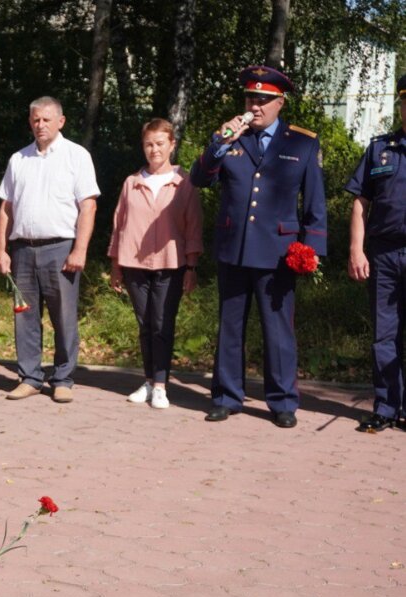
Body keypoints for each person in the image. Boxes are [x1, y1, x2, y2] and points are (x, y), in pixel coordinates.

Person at [190, 65, 327, 428]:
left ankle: (282, 401)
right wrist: (220, 143)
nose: (256, 105)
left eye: (265, 100)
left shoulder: (302, 142)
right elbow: (199, 178)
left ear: (281, 102)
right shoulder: (231, 138)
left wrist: (312, 250)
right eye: (251, 97)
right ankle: (226, 396)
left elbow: (314, 203)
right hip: (234, 247)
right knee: (230, 326)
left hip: (279, 253)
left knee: (278, 330)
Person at [0, 96, 100, 402]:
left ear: (61, 122)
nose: (40, 125)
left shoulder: (76, 156)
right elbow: (6, 208)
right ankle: (30, 377)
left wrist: (80, 249)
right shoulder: (19, 159)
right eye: (36, 120)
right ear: (30, 122)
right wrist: (2, 249)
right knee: (24, 316)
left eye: (46, 120)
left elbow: (88, 206)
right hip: (22, 250)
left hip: (60, 248)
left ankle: (63, 378)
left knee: (64, 316)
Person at [108, 118, 203, 409]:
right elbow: (118, 224)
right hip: (134, 264)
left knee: (162, 324)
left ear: (172, 145)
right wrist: (115, 264)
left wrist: (191, 266)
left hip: (170, 264)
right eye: (149, 144)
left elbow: (193, 226)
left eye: (160, 143)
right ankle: (148, 381)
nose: (154, 150)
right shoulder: (131, 183)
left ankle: (161, 384)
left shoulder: (184, 182)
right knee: (145, 324)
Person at [346, 74, 406, 433]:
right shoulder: (379, 149)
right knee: (384, 336)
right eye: (405, 102)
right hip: (383, 255)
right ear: (400, 106)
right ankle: (386, 406)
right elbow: (359, 203)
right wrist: (356, 249)